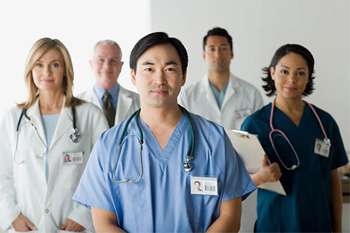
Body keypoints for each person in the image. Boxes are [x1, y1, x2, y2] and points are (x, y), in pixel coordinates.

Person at [73, 32, 256, 233]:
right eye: (149, 69)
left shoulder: (214, 140)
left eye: (169, 69)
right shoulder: (109, 144)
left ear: (183, 76)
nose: (159, 79)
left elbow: (230, 217)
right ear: (133, 75)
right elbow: (103, 222)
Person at [0, 38, 108, 233]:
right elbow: (2, 174)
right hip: (26, 226)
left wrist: (83, 215)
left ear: (65, 70)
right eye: (39, 65)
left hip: (75, 226)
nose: (46, 72)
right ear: (30, 70)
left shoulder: (90, 115)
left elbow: (104, 173)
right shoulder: (13, 118)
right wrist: (11, 216)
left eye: (55, 65)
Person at [241, 44, 349, 232]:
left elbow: (333, 180)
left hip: (318, 225)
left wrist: (338, 229)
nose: (292, 79)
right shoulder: (255, 124)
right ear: (272, 72)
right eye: (284, 71)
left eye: (300, 73)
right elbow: (237, 186)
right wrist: (260, 177)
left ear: (308, 78)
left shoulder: (324, 122)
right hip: (275, 225)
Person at [179, 27, 263, 130]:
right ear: (204, 55)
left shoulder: (252, 94)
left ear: (231, 53)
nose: (217, 55)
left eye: (223, 48)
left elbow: (258, 135)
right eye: (212, 49)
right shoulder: (187, 96)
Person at [79, 40, 140, 127]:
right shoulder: (77, 104)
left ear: (121, 66)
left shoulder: (139, 102)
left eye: (113, 61)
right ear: (91, 64)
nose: (107, 67)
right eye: (101, 60)